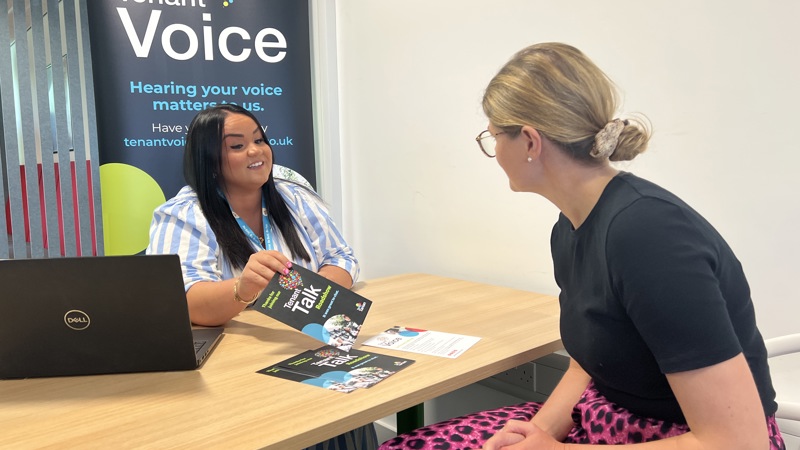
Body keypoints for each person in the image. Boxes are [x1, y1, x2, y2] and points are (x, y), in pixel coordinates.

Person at [380, 43, 785, 450]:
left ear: (529, 142)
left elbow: (737, 441)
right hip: (603, 419)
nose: (494, 151)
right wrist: (537, 433)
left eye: (493, 135)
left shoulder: (649, 235)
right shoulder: (571, 227)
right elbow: (587, 364)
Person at [146, 104, 378, 450]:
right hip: (236, 375)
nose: (256, 151)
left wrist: (313, 294)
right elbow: (183, 302)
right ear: (208, 159)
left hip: (308, 348)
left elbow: (341, 257)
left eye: (259, 140)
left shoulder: (294, 196)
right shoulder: (184, 215)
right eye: (237, 146)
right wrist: (243, 289)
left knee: (355, 413)